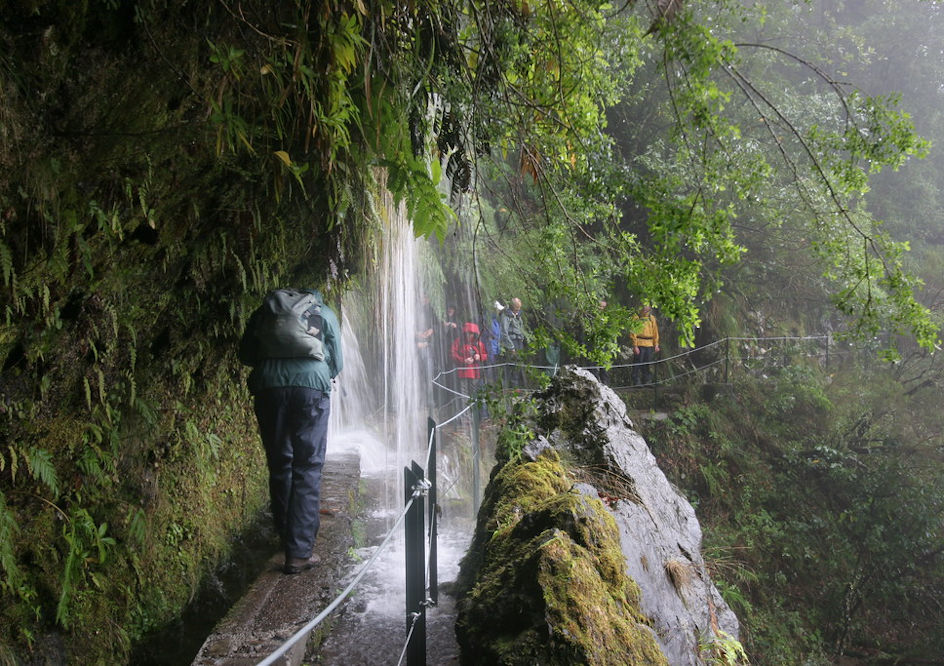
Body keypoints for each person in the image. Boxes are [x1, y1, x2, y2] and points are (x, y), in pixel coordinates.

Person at [239, 289, 343, 574]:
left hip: (269, 388)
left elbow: (246, 354)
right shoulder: (323, 314)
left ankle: (286, 539)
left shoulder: (263, 314)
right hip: (311, 389)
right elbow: (337, 363)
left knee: (279, 464)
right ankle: (299, 553)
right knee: (307, 466)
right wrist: (319, 373)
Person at [451, 321, 488, 407]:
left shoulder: (478, 343)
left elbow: (485, 354)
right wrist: (463, 360)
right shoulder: (459, 342)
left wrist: (479, 356)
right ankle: (466, 418)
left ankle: (480, 416)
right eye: (468, 333)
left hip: (476, 373)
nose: (469, 335)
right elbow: (453, 354)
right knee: (464, 396)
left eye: (471, 333)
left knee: (476, 394)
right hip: (463, 373)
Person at [500, 297, 528, 387]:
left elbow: (521, 327)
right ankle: (507, 387)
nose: (518, 310)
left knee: (518, 364)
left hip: (519, 342)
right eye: (516, 308)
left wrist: (523, 337)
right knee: (510, 365)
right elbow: (504, 332)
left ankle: (515, 386)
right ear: (512, 307)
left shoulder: (518, 316)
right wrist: (511, 347)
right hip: (512, 342)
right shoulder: (506, 316)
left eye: (519, 308)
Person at [630, 304, 659, 386]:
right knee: (638, 362)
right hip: (639, 343)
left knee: (647, 363)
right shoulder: (636, 317)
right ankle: (636, 381)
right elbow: (633, 332)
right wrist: (635, 345)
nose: (645, 309)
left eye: (647, 307)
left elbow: (655, 332)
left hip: (649, 344)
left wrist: (656, 344)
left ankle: (647, 381)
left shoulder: (652, 318)